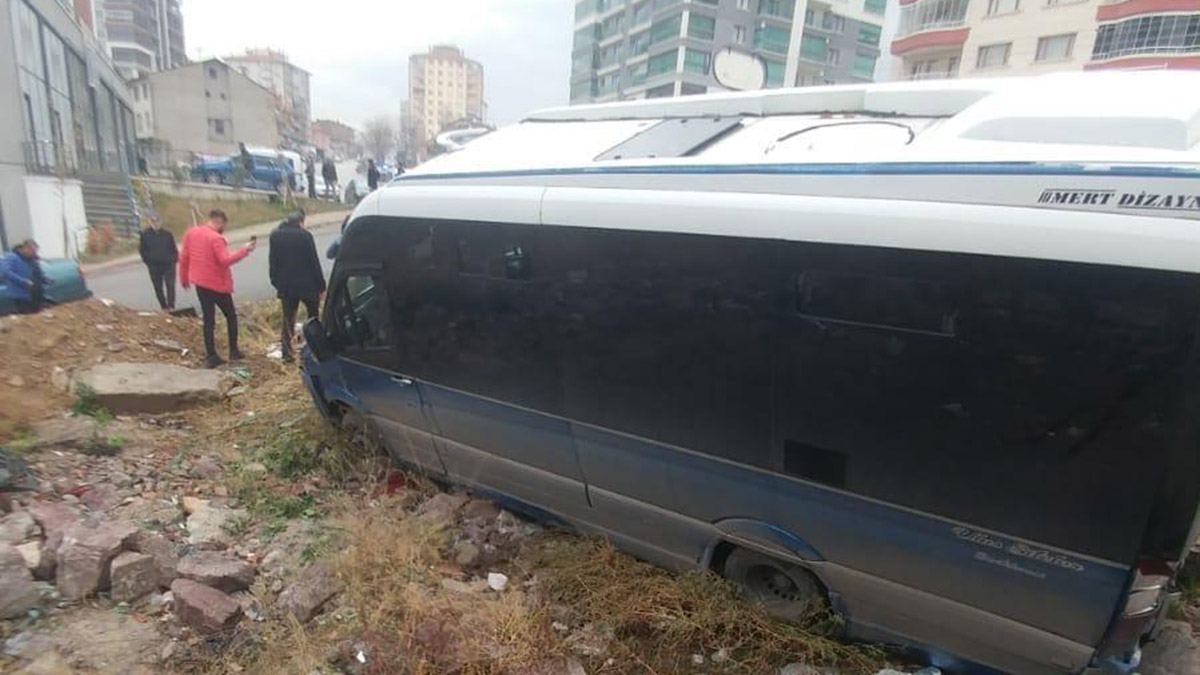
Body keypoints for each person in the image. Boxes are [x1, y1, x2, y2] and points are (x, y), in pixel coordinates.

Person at [178, 209, 256, 368]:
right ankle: (234, 351)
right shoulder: (216, 238)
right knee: (231, 316)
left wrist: (184, 278)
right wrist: (245, 250)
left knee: (208, 319)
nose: (224, 229)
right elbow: (224, 261)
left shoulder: (192, 233)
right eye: (224, 225)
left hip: (200, 283)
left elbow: (184, 256)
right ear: (220, 221)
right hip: (217, 285)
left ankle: (211, 355)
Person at [269, 210, 326, 362]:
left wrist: (276, 282)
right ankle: (316, 350)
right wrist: (321, 286)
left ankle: (287, 353)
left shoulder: (275, 236)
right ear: (301, 222)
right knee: (313, 317)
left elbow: (273, 263)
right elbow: (314, 263)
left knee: (288, 319)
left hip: (287, 287)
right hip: (308, 285)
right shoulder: (305, 236)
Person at [138, 216, 178, 311]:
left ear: (160, 222)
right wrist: (148, 261)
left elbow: (173, 248)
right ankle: (163, 306)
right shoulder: (145, 235)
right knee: (158, 286)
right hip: (154, 265)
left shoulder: (167, 234)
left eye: (157, 220)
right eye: (153, 221)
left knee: (170, 285)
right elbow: (142, 250)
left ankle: (171, 306)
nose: (155, 223)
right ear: (150, 222)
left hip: (168, 264)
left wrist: (174, 259)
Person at [2, 240, 47, 314]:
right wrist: (23, 281)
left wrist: (44, 278)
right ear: (25, 248)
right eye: (32, 251)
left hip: (36, 293)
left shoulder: (33, 259)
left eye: (35, 251)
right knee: (27, 316)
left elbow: (37, 272)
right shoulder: (11, 257)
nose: (34, 253)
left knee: (37, 315)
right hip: (21, 294)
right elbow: (6, 272)